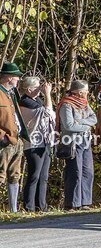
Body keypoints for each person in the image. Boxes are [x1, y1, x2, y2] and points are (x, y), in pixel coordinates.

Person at [57, 80, 97, 210]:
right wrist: (86, 125)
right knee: (75, 172)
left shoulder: (85, 104)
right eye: (86, 91)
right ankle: (73, 203)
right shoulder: (66, 105)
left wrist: (80, 121)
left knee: (88, 171)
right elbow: (69, 125)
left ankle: (85, 202)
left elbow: (94, 118)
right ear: (79, 92)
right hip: (73, 142)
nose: (87, 93)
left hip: (85, 141)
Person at [18, 76, 55, 212]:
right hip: (33, 144)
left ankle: (41, 206)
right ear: (29, 89)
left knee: (43, 176)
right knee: (34, 175)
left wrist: (45, 96)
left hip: (44, 142)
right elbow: (48, 112)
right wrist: (48, 95)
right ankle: (29, 207)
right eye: (37, 87)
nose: (40, 89)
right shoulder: (26, 102)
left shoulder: (36, 100)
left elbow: (52, 116)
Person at [0, 62, 27, 212]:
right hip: (4, 142)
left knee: (15, 175)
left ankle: (13, 209)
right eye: (17, 77)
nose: (18, 80)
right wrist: (2, 136)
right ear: (9, 78)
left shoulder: (11, 94)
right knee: (0, 175)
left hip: (16, 140)